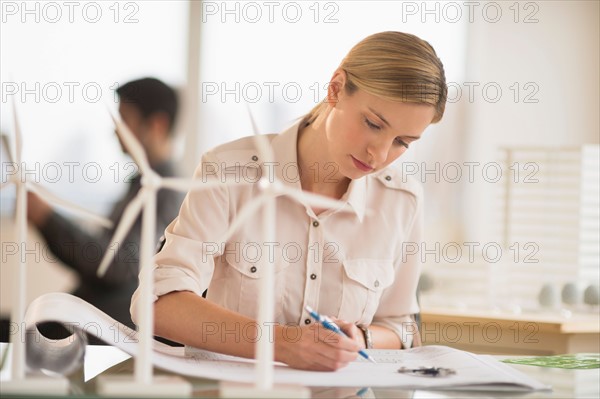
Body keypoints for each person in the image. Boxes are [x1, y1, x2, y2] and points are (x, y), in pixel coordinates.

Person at [133, 32, 447, 370]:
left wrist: (360, 339)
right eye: (373, 124)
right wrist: (281, 343)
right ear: (336, 89)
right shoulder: (228, 171)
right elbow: (158, 303)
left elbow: (401, 326)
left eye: (402, 141)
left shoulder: (402, 200)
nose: (380, 154)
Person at [28, 77, 185, 332]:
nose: (115, 130)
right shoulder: (142, 185)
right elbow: (104, 261)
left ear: (157, 124)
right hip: (91, 312)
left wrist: (48, 218)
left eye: (124, 119)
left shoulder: (163, 189)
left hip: (110, 324)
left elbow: (120, 267)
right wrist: (46, 221)